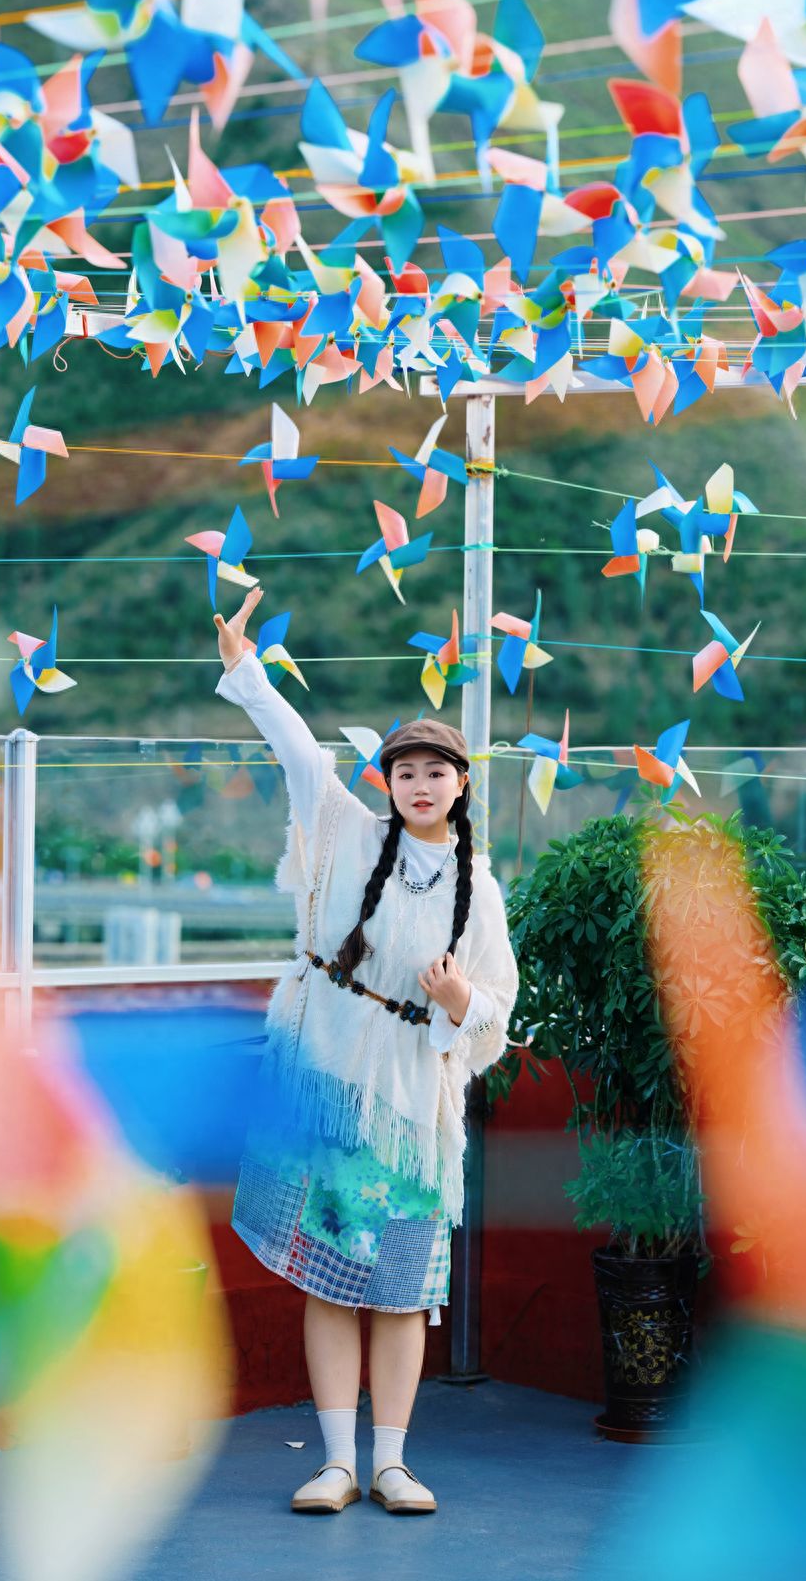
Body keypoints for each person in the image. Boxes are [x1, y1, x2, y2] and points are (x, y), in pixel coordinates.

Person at [213, 588, 518, 1515]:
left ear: (462, 784)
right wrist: (247, 670)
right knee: (329, 1280)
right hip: (329, 1086)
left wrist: (461, 1001)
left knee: (396, 1289)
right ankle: (336, 1460)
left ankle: (392, 1460)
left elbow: (497, 1014)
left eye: (437, 771)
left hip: (411, 1109)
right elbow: (297, 750)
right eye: (406, 770)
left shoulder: (481, 892)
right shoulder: (347, 832)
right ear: (387, 779)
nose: (420, 783)